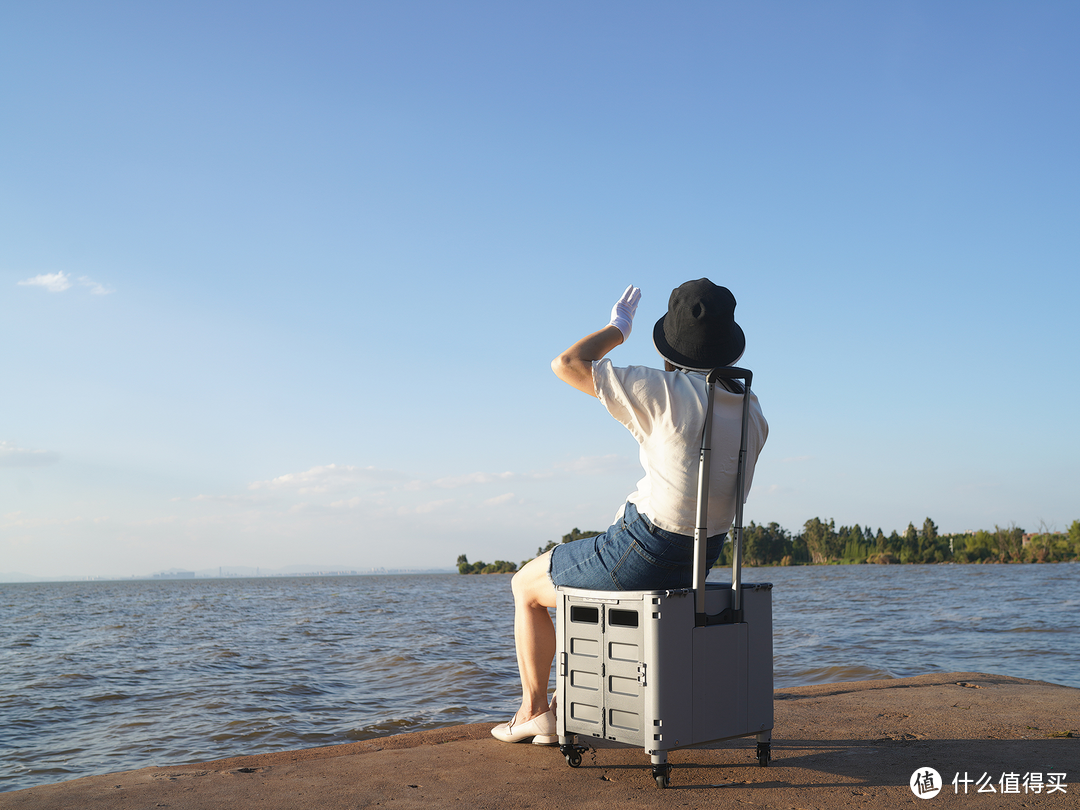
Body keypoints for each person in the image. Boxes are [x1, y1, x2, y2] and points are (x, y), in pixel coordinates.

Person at [491, 279, 768, 745]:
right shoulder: (751, 409)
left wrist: (618, 328)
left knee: (525, 586)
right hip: (706, 553)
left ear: (671, 348)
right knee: (598, 570)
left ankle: (534, 711)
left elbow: (567, 364)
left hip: (648, 547)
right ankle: (565, 706)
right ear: (729, 350)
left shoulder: (663, 389)